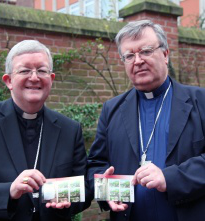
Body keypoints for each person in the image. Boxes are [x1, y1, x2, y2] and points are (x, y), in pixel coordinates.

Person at [87, 20, 205, 221]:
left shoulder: (200, 101)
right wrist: (107, 191)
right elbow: (95, 164)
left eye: (146, 51)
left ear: (166, 54)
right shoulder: (112, 109)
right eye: (129, 55)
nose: (138, 60)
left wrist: (170, 178)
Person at [0, 40, 91, 221]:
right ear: (9, 81)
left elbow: (84, 188)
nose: (35, 77)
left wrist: (66, 203)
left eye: (42, 70)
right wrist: (9, 191)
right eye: (25, 70)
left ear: (51, 79)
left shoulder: (70, 129)